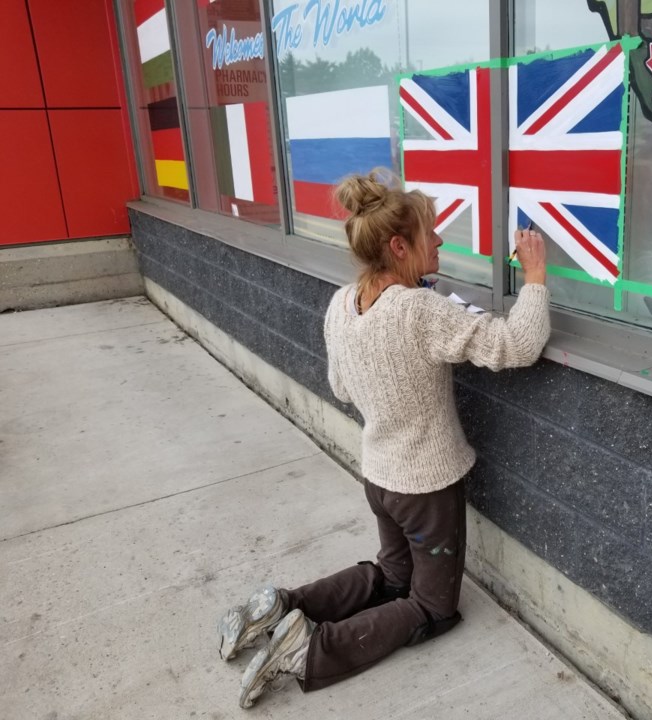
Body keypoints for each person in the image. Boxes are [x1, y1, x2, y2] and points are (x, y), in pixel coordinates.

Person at [217, 168, 550, 708]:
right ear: (400, 245)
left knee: (392, 573)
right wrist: (534, 275)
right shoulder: (420, 309)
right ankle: (310, 649)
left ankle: (279, 606)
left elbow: (341, 387)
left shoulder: (341, 303)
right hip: (426, 488)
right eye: (431, 233)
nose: (440, 241)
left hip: (379, 477)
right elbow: (517, 344)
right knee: (432, 606)